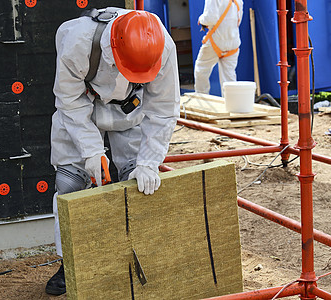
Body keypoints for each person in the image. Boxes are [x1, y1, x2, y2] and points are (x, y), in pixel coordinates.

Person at [45, 7, 180, 296]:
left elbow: (164, 110)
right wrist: (92, 150)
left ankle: (135, 259)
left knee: (137, 182)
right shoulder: (77, 42)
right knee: (70, 182)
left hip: (130, 110)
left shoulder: (162, 45)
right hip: (81, 108)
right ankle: (70, 263)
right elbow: (69, 101)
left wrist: (149, 162)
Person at [194, 0, 243, 95]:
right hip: (233, 43)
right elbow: (238, 19)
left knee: (201, 69)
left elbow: (210, 18)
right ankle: (231, 104)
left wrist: (201, 19)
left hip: (216, 41)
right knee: (229, 78)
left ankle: (202, 98)